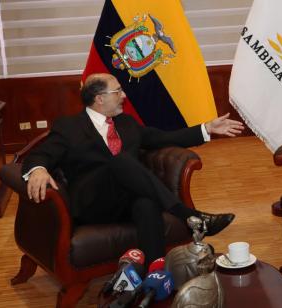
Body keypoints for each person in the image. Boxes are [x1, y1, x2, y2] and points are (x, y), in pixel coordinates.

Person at [22, 73, 245, 265]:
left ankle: (154, 274)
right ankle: (189, 216)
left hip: (124, 200)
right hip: (92, 203)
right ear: (99, 98)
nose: (124, 96)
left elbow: (163, 137)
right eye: (117, 91)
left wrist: (207, 128)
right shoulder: (69, 126)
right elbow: (40, 154)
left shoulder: (126, 123)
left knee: (146, 204)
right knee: (120, 161)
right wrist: (38, 170)